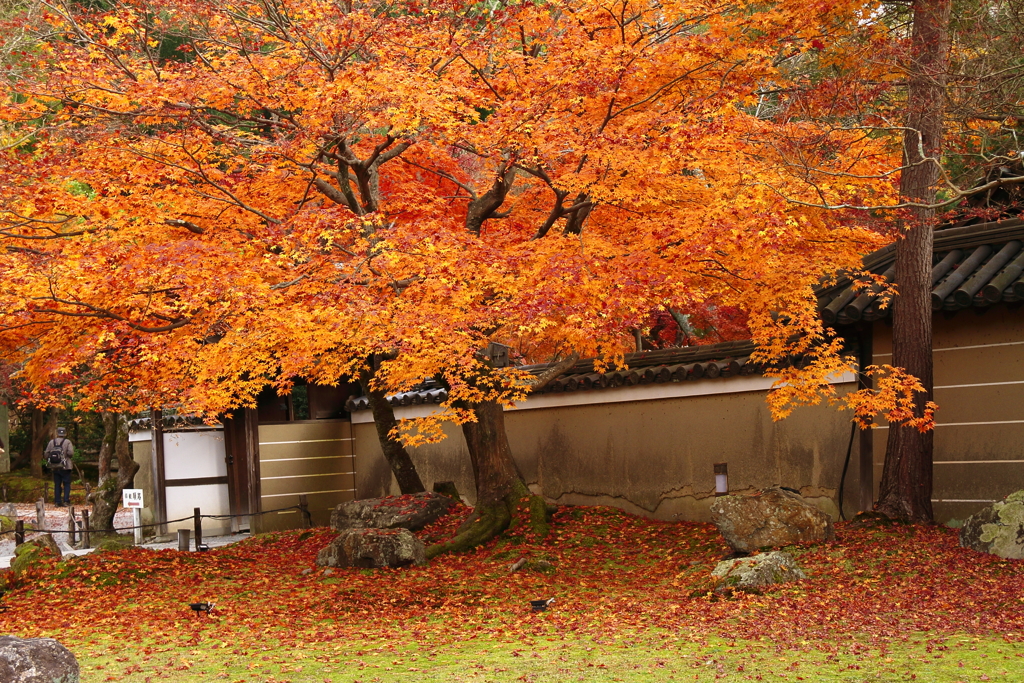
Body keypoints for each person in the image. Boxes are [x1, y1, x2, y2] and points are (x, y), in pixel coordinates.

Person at [44, 427, 74, 507]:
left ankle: (57, 501)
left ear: (57, 433)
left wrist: (52, 460)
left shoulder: (51, 442)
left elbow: (46, 454)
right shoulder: (67, 442)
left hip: (55, 466)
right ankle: (66, 501)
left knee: (57, 484)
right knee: (66, 484)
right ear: (65, 434)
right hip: (66, 466)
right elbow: (70, 453)